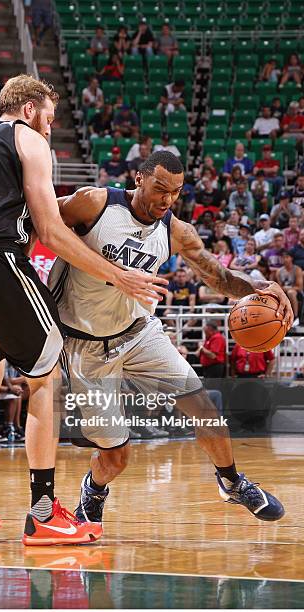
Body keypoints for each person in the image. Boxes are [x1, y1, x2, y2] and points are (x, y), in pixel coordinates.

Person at [0, 75, 167, 544]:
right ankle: (44, 513)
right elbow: (49, 229)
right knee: (44, 378)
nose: (50, 127)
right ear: (29, 109)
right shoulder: (25, 137)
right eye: (49, 116)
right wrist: (119, 275)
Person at [45, 151, 290, 536]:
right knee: (116, 456)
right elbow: (35, 221)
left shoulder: (176, 231)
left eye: (175, 193)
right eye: (160, 189)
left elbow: (218, 276)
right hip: (84, 345)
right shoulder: (94, 203)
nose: (167, 200)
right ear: (139, 179)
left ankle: (231, 481)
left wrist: (257, 287)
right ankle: (93, 492)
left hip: (139, 331)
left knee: (204, 407)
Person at [276, 250, 303, 327]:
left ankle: (296, 317)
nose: (285, 259)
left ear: (291, 258)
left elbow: (299, 287)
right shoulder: (279, 271)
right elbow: (279, 286)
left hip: (297, 292)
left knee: (291, 292)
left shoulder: (297, 269)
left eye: (287, 257)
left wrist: (286, 289)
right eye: (283, 258)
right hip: (284, 291)